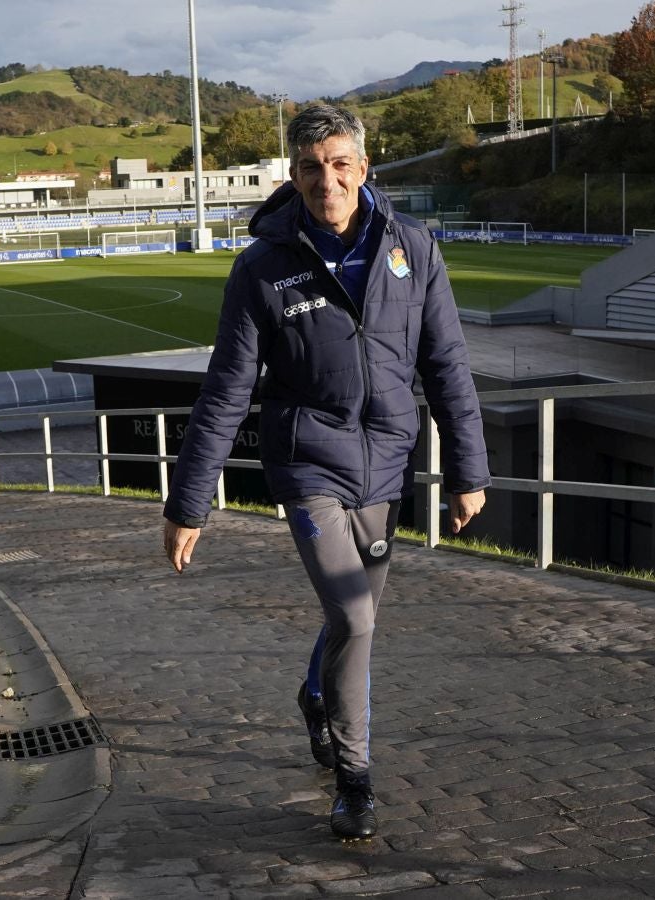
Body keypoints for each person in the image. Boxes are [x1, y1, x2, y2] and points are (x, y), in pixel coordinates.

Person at [162, 104, 489, 840]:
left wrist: (468, 467)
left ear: (363, 169)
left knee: (354, 619)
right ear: (293, 175)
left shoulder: (412, 248)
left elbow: (446, 365)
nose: (326, 180)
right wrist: (189, 503)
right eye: (311, 167)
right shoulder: (263, 267)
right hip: (307, 462)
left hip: (386, 462)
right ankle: (355, 779)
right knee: (352, 615)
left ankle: (316, 693)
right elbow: (226, 388)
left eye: (340, 164)